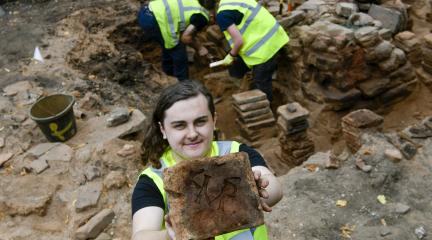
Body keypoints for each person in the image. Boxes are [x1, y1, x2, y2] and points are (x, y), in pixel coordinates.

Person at [132, 80, 283, 240]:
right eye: (180, 125)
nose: (192, 134)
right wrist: (171, 235)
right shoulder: (154, 180)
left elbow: (275, 188)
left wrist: (255, 192)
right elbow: (141, 235)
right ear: (163, 129)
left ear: (214, 120)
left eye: (200, 122)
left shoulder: (236, 152)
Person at [215, 0, 289, 101]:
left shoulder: (222, 15)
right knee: (240, 65)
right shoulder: (233, 2)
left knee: (261, 83)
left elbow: (239, 41)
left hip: (263, 50)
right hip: (276, 36)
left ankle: (266, 110)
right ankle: (248, 78)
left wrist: (231, 56)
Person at [137, 0, 213, 81]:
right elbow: (185, 38)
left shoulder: (194, 3)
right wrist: (200, 48)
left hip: (145, 12)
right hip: (156, 20)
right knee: (178, 51)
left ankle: (168, 75)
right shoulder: (203, 16)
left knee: (168, 45)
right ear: (212, 15)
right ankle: (183, 84)